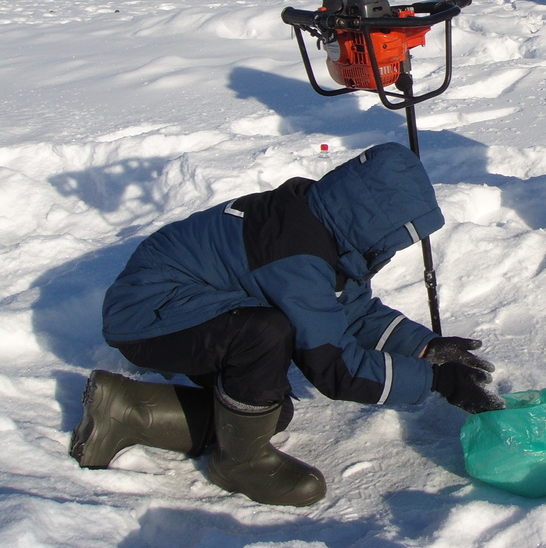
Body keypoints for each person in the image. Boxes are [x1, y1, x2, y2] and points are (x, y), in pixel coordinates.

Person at [69, 143, 503, 507]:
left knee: (265, 411)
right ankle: (239, 464)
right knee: (265, 334)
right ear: (371, 220)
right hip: (149, 315)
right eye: (395, 237)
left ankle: (124, 405)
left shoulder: (318, 219)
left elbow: (350, 311)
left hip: (188, 303)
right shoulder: (296, 253)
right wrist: (435, 381)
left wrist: (426, 348)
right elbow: (336, 369)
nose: (393, 249)